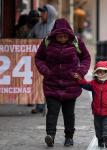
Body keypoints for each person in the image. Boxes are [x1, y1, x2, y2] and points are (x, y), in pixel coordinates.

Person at [35, 18, 91, 147]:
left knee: (69, 113)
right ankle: (50, 136)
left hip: (71, 84)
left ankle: (69, 137)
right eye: (59, 36)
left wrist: (80, 72)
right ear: (55, 34)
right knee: (52, 111)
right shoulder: (47, 41)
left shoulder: (76, 41)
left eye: (65, 36)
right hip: (51, 83)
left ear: (69, 34)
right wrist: (46, 71)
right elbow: (39, 58)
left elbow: (86, 58)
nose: (62, 38)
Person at [74, 60, 107, 148]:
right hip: (97, 112)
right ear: (96, 73)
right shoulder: (93, 84)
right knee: (98, 128)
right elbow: (85, 84)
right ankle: (100, 139)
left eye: (103, 72)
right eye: (99, 72)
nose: (100, 74)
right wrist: (79, 78)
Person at [29, 4, 58, 114]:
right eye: (41, 12)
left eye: (43, 12)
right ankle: (40, 106)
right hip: (40, 59)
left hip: (53, 59)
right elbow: (29, 38)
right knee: (38, 82)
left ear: (49, 13)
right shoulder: (38, 26)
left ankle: (52, 105)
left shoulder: (55, 26)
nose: (41, 15)